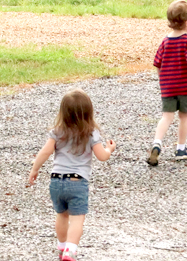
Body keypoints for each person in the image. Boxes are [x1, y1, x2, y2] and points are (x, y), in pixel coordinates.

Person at [28, 89, 116, 261]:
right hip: (77, 182)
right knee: (77, 219)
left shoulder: (57, 131)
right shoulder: (91, 133)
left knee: (62, 215)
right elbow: (102, 156)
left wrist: (35, 169)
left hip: (56, 181)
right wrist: (110, 149)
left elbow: (45, 152)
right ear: (88, 112)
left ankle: (61, 247)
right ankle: (70, 250)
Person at [147, 0, 187, 166]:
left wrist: (163, 80)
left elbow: (157, 63)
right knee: (184, 116)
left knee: (166, 116)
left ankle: (157, 143)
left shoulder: (165, 41)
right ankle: (181, 149)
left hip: (168, 86)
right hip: (185, 86)